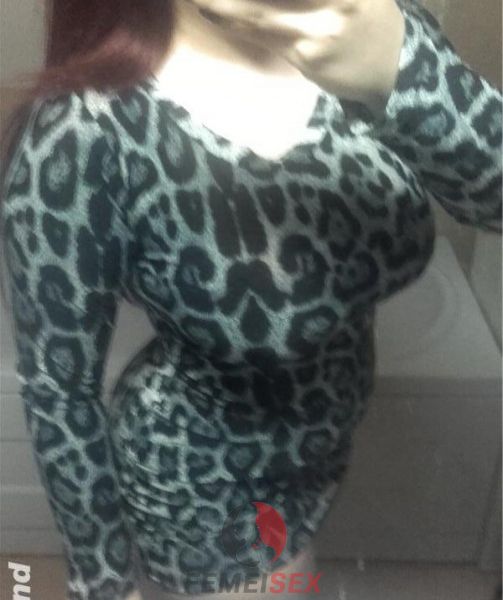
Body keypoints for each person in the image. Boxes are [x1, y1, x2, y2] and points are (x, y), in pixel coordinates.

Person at [0, 1, 501, 599]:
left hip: (322, 458)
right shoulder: (82, 128)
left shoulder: (377, 29)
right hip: (203, 483)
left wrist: (400, 68)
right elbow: (59, 389)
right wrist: (103, 583)